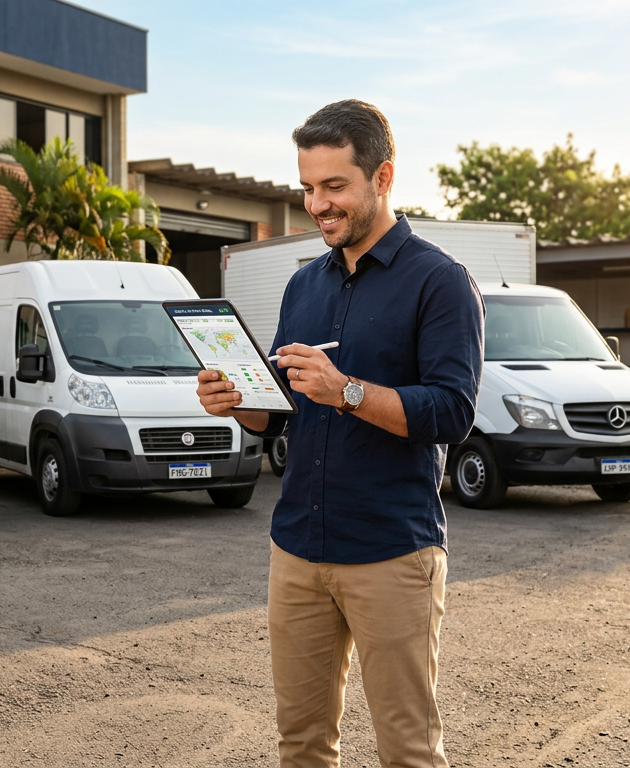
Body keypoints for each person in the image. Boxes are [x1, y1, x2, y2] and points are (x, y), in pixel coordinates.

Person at [195, 100, 485, 768]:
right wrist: (236, 402)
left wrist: (348, 391)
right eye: (307, 188)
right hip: (297, 548)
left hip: (392, 554)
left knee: (407, 750)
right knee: (301, 744)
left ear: (383, 177)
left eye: (334, 187)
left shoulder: (440, 282)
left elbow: (452, 412)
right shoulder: (304, 286)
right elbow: (278, 408)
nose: (318, 204)